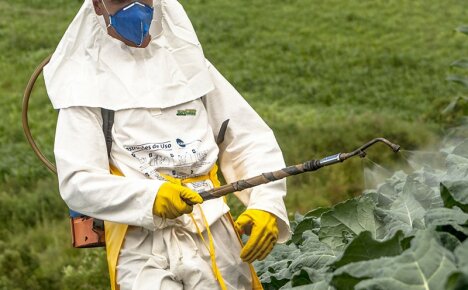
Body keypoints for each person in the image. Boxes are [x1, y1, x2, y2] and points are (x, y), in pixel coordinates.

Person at [44, 0, 291, 289]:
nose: (134, 5)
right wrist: (151, 197)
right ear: (96, 6)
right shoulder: (82, 82)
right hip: (142, 246)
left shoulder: (188, 63)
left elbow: (248, 138)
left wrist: (266, 204)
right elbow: (78, 182)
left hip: (215, 229)